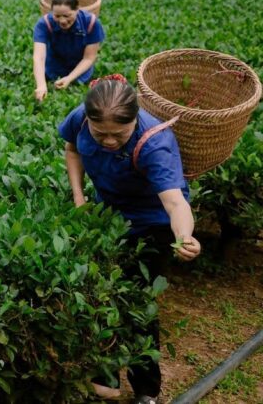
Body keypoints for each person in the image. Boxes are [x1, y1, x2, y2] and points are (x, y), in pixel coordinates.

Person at [59, 76, 200, 404]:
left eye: (118, 135)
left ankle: (146, 389)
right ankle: (104, 375)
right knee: (98, 293)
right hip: (109, 214)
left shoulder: (155, 143)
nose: (108, 141)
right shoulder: (80, 117)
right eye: (101, 134)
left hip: (153, 222)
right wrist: (80, 200)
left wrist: (184, 237)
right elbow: (71, 151)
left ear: (135, 119)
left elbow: (175, 202)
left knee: (136, 304)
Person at [33, 0, 105, 102]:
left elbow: (89, 58)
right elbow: (39, 57)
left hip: (81, 70)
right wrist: (41, 85)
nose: (62, 21)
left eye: (67, 16)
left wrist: (70, 78)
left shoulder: (91, 23)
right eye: (57, 16)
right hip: (53, 68)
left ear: (77, 9)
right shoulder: (44, 24)